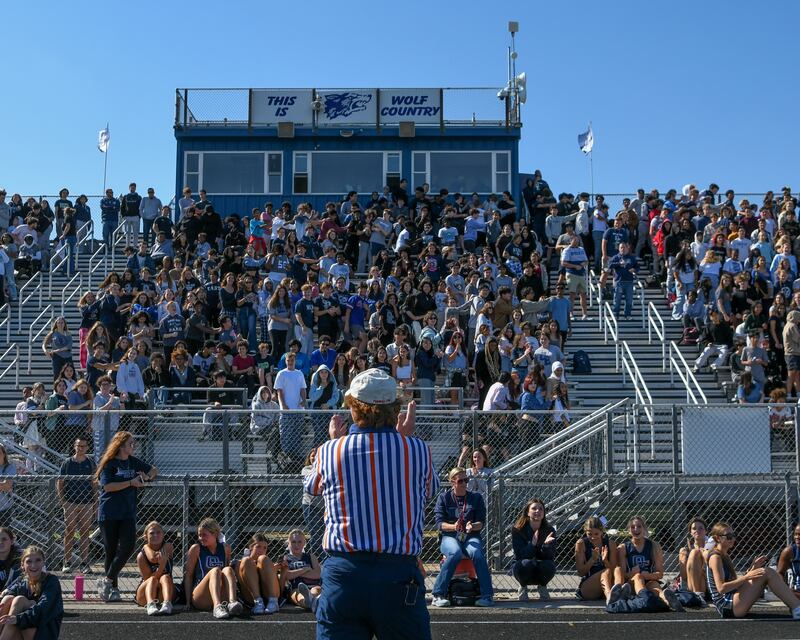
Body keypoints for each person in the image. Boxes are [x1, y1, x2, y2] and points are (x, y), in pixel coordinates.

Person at [304, 369, 437, 639]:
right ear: (393, 408)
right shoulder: (417, 449)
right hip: (398, 574)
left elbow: (312, 486)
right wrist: (405, 441)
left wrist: (333, 442)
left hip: (345, 575)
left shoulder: (331, 451)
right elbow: (430, 489)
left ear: (355, 408)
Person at [95, 431, 158, 602]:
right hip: (109, 513)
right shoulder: (110, 464)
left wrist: (146, 477)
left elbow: (153, 470)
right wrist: (130, 482)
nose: (133, 446)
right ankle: (113, 589)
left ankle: (106, 580)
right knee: (111, 550)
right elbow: (107, 486)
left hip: (127, 512)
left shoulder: (132, 461)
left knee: (128, 546)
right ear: (121, 445)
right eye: (131, 443)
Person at [707, 521, 800, 619]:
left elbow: (735, 583)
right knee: (766, 572)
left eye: (733, 535)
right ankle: (797, 608)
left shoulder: (725, 556)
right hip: (726, 605)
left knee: (763, 572)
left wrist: (752, 569)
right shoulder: (715, 557)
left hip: (731, 602)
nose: (733, 539)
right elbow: (721, 588)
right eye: (729, 536)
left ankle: (796, 607)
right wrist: (747, 576)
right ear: (717, 538)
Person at [432, 467, 493, 608]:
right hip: (450, 536)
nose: (465, 483)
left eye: (466, 480)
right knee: (455, 553)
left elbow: (481, 522)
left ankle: (487, 596)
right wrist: (454, 527)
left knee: (477, 553)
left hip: (471, 536)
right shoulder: (444, 498)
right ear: (452, 482)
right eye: (461, 481)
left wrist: (473, 526)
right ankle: (438, 594)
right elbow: (440, 524)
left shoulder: (476, 497)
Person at [606, 515, 682, 613]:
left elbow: (660, 574)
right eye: (632, 527)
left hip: (649, 580)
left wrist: (647, 575)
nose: (636, 529)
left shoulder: (654, 546)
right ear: (629, 530)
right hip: (631, 584)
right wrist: (634, 573)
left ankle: (669, 602)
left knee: (656, 589)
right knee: (638, 577)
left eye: (639, 526)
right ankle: (645, 598)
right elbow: (623, 574)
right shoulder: (623, 548)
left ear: (644, 529)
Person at [0, 546, 63, 640]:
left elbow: (44, 609)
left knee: (19, 600)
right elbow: (6, 594)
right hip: (23, 629)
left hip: (44, 632)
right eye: (29, 561)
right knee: (7, 599)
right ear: (22, 565)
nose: (33, 565)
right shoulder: (22, 582)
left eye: (38, 560)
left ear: (43, 563)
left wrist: (18, 618)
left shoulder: (51, 581)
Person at [184, 517, 242, 619]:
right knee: (215, 570)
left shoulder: (225, 548)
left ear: (215, 534)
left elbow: (227, 575)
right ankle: (217, 607)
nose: (201, 538)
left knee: (228, 569)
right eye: (199, 535)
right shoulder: (196, 548)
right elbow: (188, 575)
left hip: (220, 592)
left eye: (204, 535)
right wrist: (188, 602)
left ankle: (232, 602)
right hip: (201, 596)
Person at [56, 438, 96, 574]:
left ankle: (84, 563)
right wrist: (63, 501)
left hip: (87, 502)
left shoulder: (90, 463)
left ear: (87, 447)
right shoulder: (67, 463)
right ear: (74, 446)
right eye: (78, 445)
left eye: (83, 446)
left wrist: (95, 502)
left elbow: (94, 484)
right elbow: (60, 482)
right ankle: (67, 562)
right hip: (71, 501)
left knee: (85, 532)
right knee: (70, 531)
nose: (80, 448)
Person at [511, 498, 556, 602]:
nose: (537, 511)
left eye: (541, 509)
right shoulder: (518, 529)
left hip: (540, 565)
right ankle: (523, 588)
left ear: (544, 513)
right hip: (524, 567)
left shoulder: (550, 530)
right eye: (534, 508)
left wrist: (545, 545)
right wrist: (533, 544)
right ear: (527, 512)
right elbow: (519, 555)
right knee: (525, 564)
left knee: (549, 566)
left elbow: (550, 557)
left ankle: (542, 586)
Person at [135, 521, 176, 616]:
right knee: (153, 579)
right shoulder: (141, 556)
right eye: (151, 533)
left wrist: (146, 546)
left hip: (164, 591)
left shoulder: (168, 546)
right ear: (145, 536)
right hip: (147, 593)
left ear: (163, 535)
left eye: (158, 532)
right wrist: (161, 566)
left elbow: (153, 558)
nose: (155, 535)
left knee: (165, 577)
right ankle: (150, 605)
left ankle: (167, 604)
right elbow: (149, 578)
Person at [273, 351, 307, 463]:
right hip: (286, 410)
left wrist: (303, 401)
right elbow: (279, 391)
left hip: (298, 410)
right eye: (288, 360)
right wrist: (283, 404)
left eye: (292, 360)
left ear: (295, 361)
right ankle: (285, 458)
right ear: (285, 361)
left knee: (297, 433)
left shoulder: (299, 373)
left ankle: (295, 459)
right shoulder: (281, 374)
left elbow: (303, 389)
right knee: (286, 433)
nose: (290, 362)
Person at [236, 533, 280, 615]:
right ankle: (258, 602)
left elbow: (281, 587)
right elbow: (241, 584)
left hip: (269, 594)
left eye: (265, 548)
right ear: (251, 547)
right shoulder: (240, 563)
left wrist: (275, 570)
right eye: (258, 547)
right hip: (251, 597)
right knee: (246, 561)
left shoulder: (267, 563)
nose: (262, 550)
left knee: (263, 558)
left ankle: (273, 601)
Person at [575, 516, 617, 602]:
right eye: (589, 534)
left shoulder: (610, 544)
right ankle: (610, 597)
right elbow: (581, 572)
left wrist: (605, 560)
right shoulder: (581, 543)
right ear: (585, 531)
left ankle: (610, 595)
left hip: (607, 584)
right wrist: (592, 559)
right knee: (606, 571)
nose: (593, 537)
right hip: (589, 587)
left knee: (615, 570)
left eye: (596, 534)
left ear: (602, 532)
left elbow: (614, 571)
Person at [279, 529, 322, 612]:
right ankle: (308, 602)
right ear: (289, 543)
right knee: (298, 595)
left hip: (313, 585)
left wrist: (295, 573)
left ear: (304, 543)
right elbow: (287, 575)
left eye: (299, 542)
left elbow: (317, 574)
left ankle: (310, 599)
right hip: (296, 587)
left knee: (316, 590)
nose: (296, 545)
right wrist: (305, 569)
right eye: (293, 542)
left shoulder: (311, 556)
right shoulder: (286, 558)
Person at [675, 517, 710, 600]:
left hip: (708, 584)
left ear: (706, 531)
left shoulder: (711, 547)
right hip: (690, 585)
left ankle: (697, 598)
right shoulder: (686, 550)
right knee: (686, 552)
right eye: (694, 528)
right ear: (691, 532)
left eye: (701, 528)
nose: (697, 530)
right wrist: (691, 557)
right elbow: (684, 576)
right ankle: (696, 596)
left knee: (695, 553)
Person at [777, 523, 800, 597]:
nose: (797, 537)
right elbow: (780, 573)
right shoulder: (789, 552)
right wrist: (786, 589)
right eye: (795, 534)